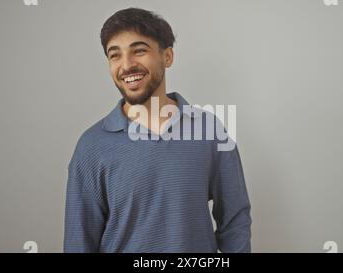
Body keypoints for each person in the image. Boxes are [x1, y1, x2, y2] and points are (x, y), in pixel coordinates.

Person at [64, 7, 252, 253]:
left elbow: (235, 220)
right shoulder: (91, 146)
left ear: (168, 57)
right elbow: (79, 242)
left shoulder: (209, 131)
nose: (126, 65)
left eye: (139, 50)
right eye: (115, 55)